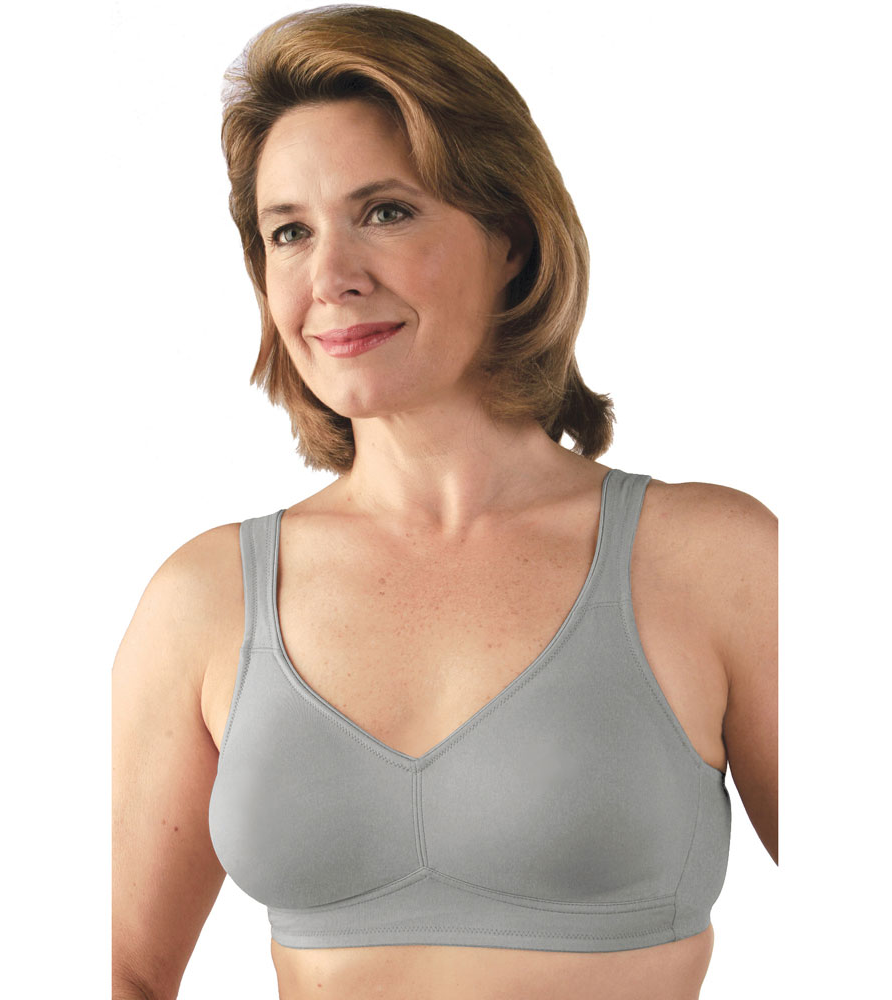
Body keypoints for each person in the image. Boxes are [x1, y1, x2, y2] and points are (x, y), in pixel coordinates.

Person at [111, 5, 778, 998]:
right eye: (289, 232)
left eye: (385, 212)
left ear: (509, 235)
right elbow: (120, 971)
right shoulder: (204, 600)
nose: (330, 277)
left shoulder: (713, 561)